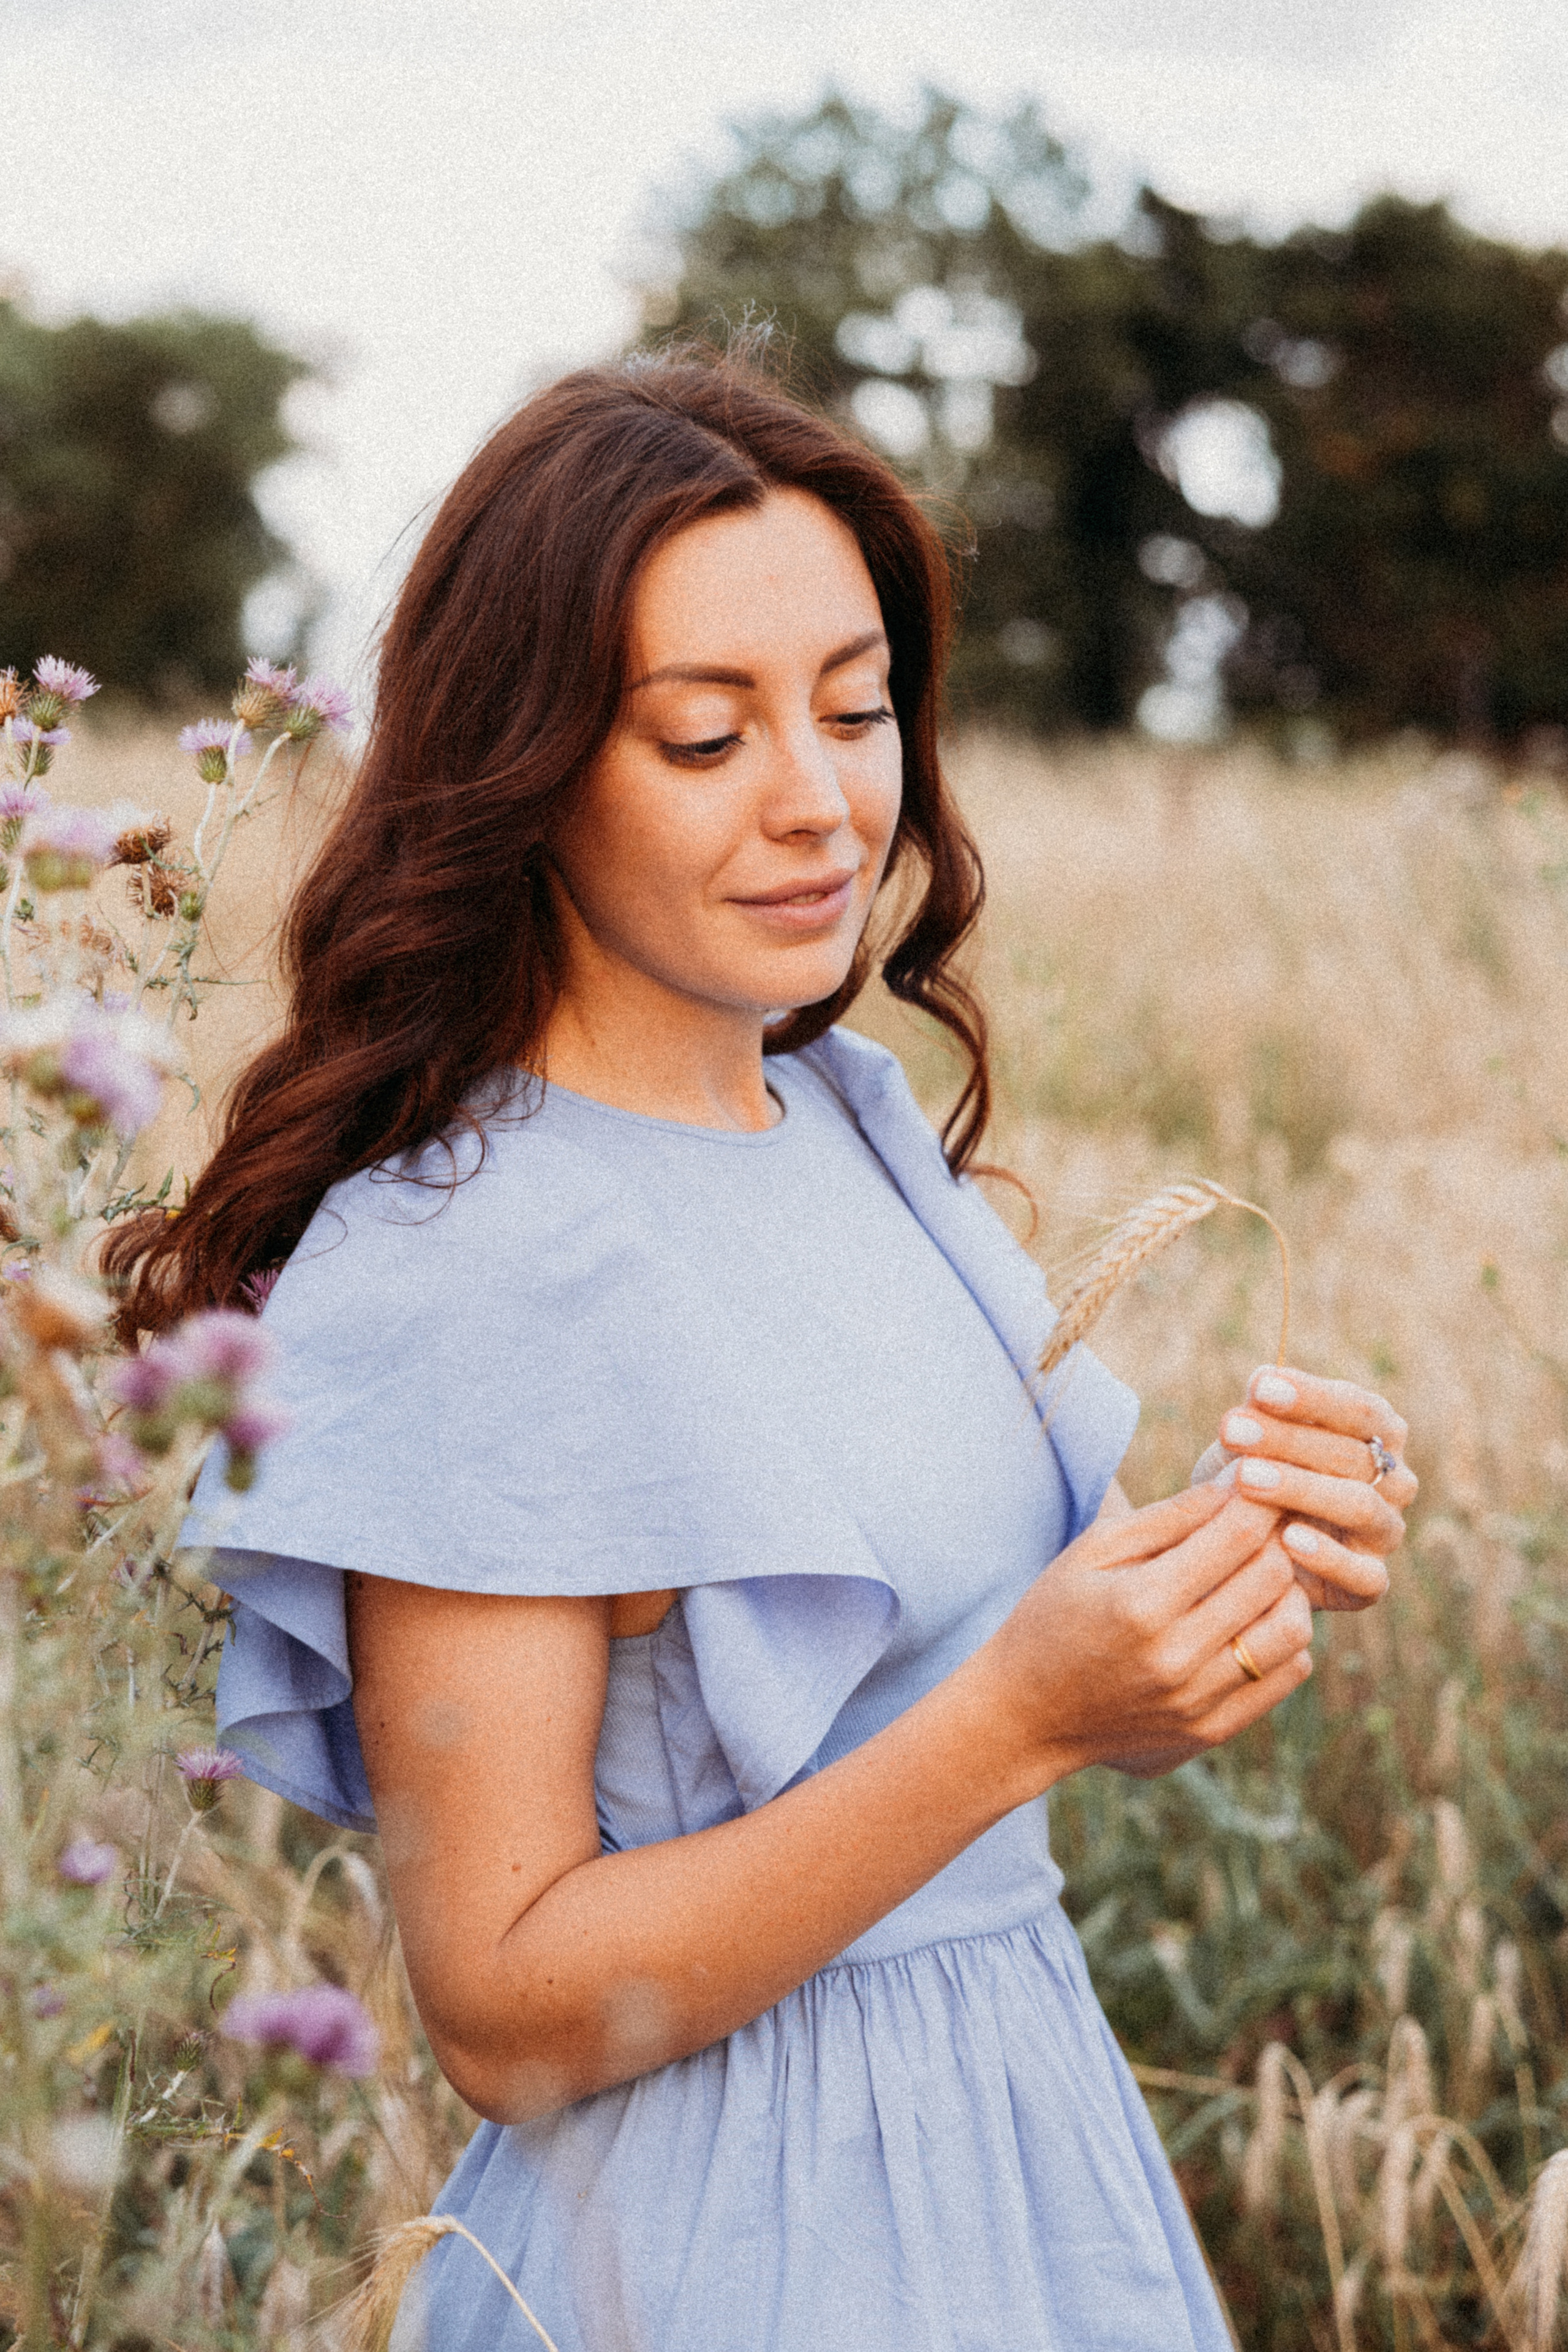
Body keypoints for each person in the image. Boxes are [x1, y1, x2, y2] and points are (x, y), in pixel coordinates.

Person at [120, 351, 1416, 2351]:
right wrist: (1024, 1723)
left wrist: (1236, 1562)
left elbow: (1012, 1668)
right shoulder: (469, 1259)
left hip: (1034, 2168)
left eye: (858, 709)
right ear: (529, 764)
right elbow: (505, 2009)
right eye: (707, 736)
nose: (821, 802)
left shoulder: (847, 1120)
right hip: (729, 2246)